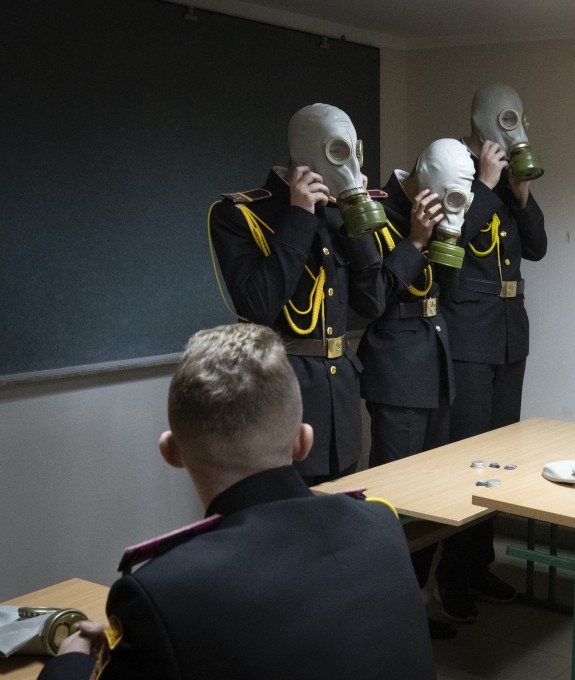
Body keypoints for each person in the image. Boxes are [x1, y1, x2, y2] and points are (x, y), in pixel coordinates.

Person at [39, 324, 434, 680]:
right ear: (303, 441)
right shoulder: (381, 524)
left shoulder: (163, 592)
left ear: (171, 452)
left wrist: (72, 660)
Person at [208, 103, 385, 486]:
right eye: (338, 151)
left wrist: (359, 218)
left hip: (340, 396)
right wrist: (299, 216)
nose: (347, 163)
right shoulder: (241, 214)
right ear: (303, 149)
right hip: (282, 394)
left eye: (354, 152)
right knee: (288, 522)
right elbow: (257, 305)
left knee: (337, 516)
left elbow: (372, 303)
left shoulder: (339, 212)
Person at [433, 84, 548, 623]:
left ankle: (479, 564)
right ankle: (451, 575)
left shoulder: (508, 180)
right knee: (467, 463)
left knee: (500, 463)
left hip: (507, 335)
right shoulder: (454, 168)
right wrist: (485, 184)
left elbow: (538, 247)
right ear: (479, 124)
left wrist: (519, 193)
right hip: (469, 337)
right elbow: (447, 251)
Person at [356, 139, 474, 639]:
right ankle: (384, 617)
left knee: (431, 499)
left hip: (434, 361)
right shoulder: (373, 210)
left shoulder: (445, 206)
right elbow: (370, 300)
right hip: (398, 370)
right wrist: (416, 241)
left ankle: (412, 610)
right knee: (395, 502)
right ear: (423, 178)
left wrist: (450, 234)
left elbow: (449, 293)